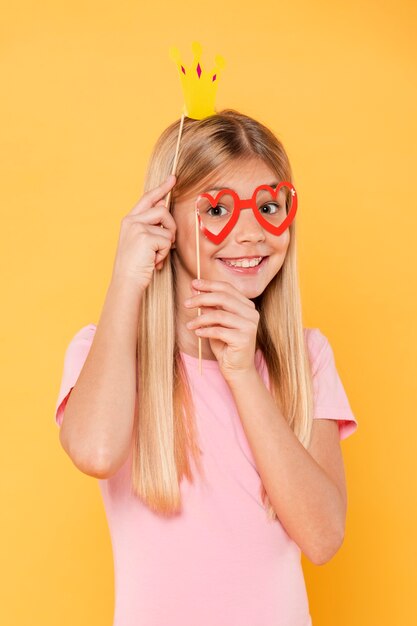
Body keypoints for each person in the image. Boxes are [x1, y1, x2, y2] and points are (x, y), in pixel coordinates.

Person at [54, 109, 358, 626]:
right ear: (164, 222)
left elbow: (324, 536)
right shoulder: (108, 353)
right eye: (217, 210)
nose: (250, 234)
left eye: (268, 207)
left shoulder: (305, 359)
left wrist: (242, 372)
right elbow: (97, 451)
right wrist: (126, 278)